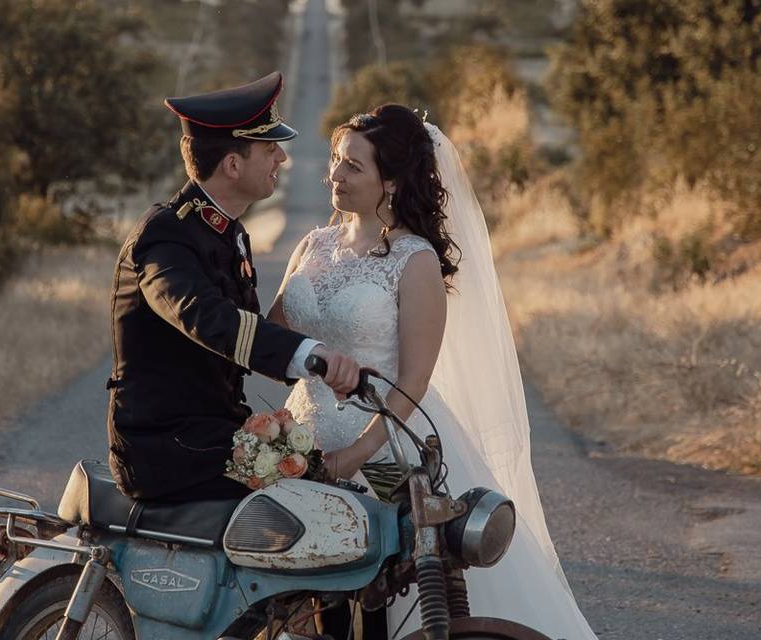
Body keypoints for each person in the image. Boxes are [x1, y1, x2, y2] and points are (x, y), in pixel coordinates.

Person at [269, 104, 599, 639]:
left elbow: (414, 381)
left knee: (382, 591)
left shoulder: (413, 260)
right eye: (336, 160)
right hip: (303, 445)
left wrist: (355, 455)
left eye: (353, 166)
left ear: (391, 182)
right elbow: (276, 337)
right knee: (301, 596)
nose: (335, 175)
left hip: (385, 452)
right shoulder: (312, 245)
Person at [106, 72, 361, 503]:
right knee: (310, 506)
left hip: (211, 435)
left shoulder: (228, 232)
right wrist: (310, 355)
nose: (281, 158)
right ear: (233, 164)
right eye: (269, 148)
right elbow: (210, 319)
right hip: (165, 449)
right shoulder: (166, 236)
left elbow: (245, 337)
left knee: (328, 494)